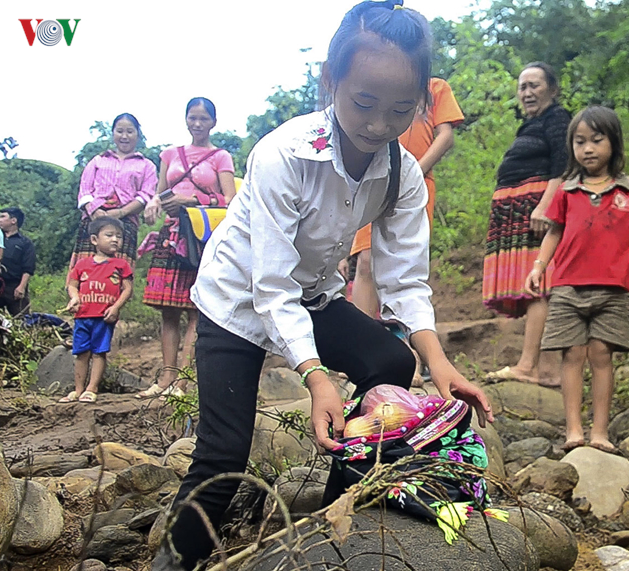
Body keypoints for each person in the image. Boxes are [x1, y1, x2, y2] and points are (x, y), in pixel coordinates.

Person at [149, 3, 493, 569]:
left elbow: (404, 279)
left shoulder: (402, 171)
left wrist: (440, 363)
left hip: (311, 294)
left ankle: (332, 520)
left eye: (400, 111)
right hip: (237, 299)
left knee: (388, 361)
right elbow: (270, 289)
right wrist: (316, 379)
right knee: (223, 452)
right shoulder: (284, 154)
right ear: (330, 81)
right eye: (363, 104)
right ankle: (172, 561)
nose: (379, 125)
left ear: (422, 103)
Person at [525, 106, 629, 453]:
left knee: (601, 354)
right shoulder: (567, 191)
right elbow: (554, 232)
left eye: (597, 140)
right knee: (573, 354)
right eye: (580, 142)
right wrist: (538, 267)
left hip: (614, 288)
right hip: (568, 286)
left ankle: (600, 431)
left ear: (614, 143)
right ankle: (573, 431)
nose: (588, 149)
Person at [137, 98, 236, 399]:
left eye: (203, 119)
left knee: (195, 310)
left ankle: (183, 381)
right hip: (171, 233)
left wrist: (191, 201)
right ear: (185, 120)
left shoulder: (221, 157)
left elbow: (230, 200)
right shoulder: (170, 154)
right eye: (192, 118)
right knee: (168, 310)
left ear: (213, 122)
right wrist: (154, 203)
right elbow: (157, 193)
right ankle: (165, 378)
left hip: (202, 236)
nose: (197, 124)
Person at [483, 62, 571, 387]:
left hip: (535, 212)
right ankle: (547, 371)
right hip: (519, 213)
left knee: (539, 288)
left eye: (534, 85)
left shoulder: (557, 118)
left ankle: (527, 366)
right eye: (522, 87)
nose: (527, 92)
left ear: (552, 89)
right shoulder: (533, 123)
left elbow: (563, 164)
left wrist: (545, 206)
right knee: (537, 288)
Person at [349, 77, 464, 317]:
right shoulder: (380, 86)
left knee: (405, 264)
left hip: (417, 185)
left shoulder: (435, 87)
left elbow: (446, 136)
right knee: (366, 261)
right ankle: (362, 343)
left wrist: (414, 173)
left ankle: (407, 339)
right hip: (374, 181)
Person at [70, 113, 158, 275]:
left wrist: (120, 212)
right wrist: (95, 212)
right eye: (120, 131)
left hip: (126, 222)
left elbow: (145, 195)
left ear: (138, 135)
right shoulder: (98, 160)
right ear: (113, 133)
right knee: (85, 272)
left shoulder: (147, 166)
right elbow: (84, 191)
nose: (124, 136)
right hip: (94, 220)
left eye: (130, 131)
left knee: (118, 275)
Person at [59, 217, 134, 404]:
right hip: (83, 315)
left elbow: (128, 289)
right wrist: (75, 298)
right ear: (94, 239)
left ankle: (92, 388)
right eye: (109, 235)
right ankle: (78, 389)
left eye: (119, 236)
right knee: (81, 352)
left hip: (104, 317)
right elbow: (72, 285)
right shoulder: (82, 264)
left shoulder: (121, 265)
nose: (115, 239)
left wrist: (116, 307)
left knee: (99, 352)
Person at [0, 207, 35, 316]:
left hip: (15, 285)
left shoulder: (25, 243)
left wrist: (21, 287)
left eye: (3, 217)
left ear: (13, 220)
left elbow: (28, 267)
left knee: (22, 320)